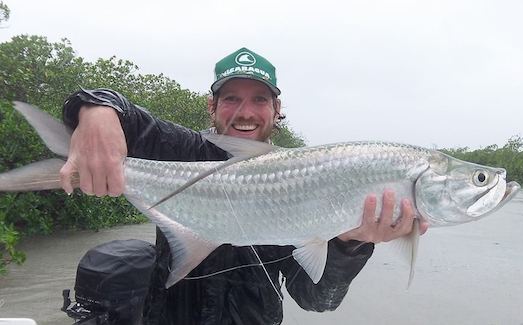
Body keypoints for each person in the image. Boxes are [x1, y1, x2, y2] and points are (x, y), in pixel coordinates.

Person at [60, 47, 429, 325]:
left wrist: (353, 243)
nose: (246, 112)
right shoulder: (185, 151)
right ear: (212, 106)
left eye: (259, 99)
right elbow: (125, 114)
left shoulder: (307, 176)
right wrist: (94, 109)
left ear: (277, 109)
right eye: (232, 98)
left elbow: (318, 299)